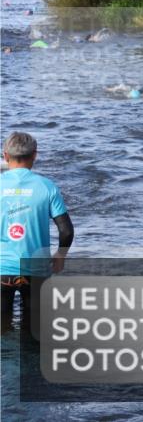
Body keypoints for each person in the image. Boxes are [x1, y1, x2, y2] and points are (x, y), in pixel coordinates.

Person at [1, 132, 74, 335]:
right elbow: (66, 230)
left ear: (5, 156)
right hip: (35, 270)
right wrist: (61, 255)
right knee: (35, 328)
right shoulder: (47, 186)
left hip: (2, 270)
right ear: (35, 155)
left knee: (2, 326)